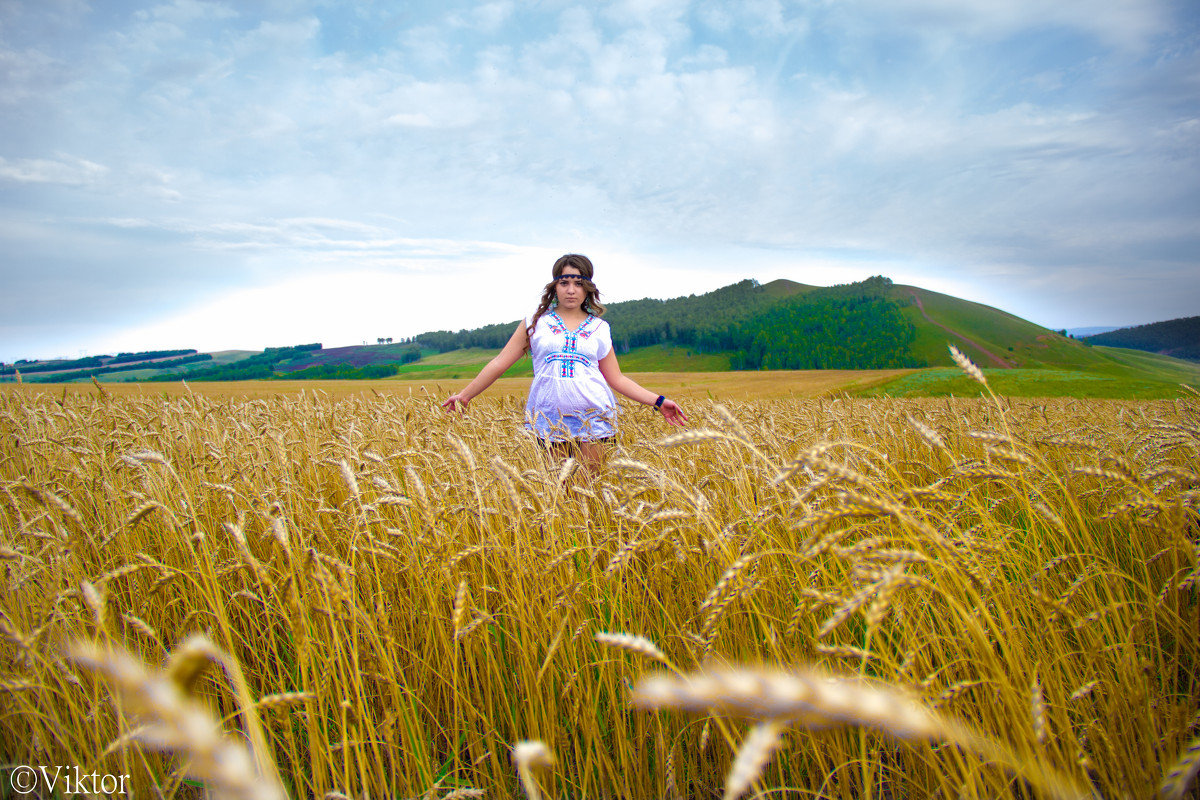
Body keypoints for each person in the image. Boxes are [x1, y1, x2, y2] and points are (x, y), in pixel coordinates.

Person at [442, 254, 687, 472]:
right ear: (555, 286)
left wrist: (659, 401)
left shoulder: (600, 328)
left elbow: (617, 379)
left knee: (586, 494)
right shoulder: (535, 322)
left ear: (588, 288)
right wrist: (465, 396)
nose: (571, 290)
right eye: (564, 282)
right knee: (558, 497)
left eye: (579, 283)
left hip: (595, 418)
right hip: (549, 419)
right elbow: (499, 362)